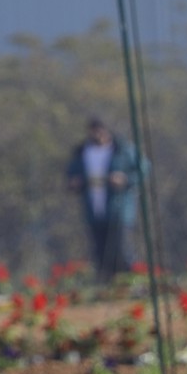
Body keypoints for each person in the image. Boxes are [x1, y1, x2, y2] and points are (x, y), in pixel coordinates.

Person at [67, 117, 141, 280]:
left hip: (118, 210)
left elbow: (142, 170)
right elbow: (71, 175)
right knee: (100, 253)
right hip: (94, 211)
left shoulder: (122, 150)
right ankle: (106, 284)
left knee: (121, 250)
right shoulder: (82, 153)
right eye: (94, 131)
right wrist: (75, 182)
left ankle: (129, 282)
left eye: (100, 131)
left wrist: (125, 179)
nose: (98, 135)